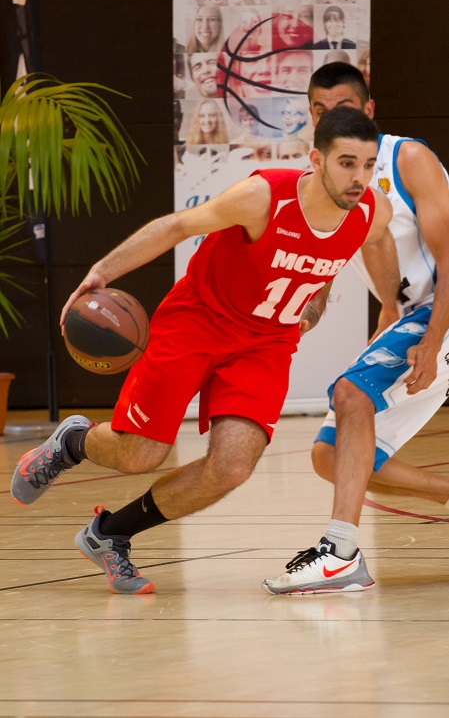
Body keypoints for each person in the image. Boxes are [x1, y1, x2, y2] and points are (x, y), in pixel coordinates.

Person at [11, 107, 400, 596]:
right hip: (199, 321)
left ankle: (110, 535)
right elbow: (177, 226)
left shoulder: (370, 211)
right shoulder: (264, 197)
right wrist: (101, 272)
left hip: (266, 343)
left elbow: (374, 243)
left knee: (232, 466)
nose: (359, 178)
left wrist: (388, 305)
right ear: (316, 159)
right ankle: (73, 443)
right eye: (347, 163)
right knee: (141, 455)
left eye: (368, 165)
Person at [263, 61, 449, 596]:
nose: (329, 116)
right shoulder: (330, 177)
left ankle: (340, 553)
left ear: (368, 110)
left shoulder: (406, 157)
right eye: (318, 109)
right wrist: (295, 321)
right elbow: (322, 278)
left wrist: (432, 339)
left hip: (439, 313)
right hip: (413, 316)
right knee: (331, 455)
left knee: (350, 392)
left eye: (342, 108)